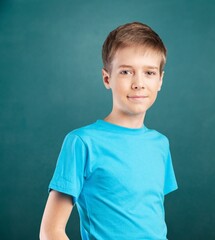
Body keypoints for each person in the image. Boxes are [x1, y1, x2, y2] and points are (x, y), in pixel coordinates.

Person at [40, 22, 178, 240]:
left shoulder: (160, 144)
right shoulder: (82, 142)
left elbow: (149, 220)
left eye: (149, 72)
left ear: (160, 80)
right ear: (107, 78)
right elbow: (50, 231)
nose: (138, 83)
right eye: (126, 72)